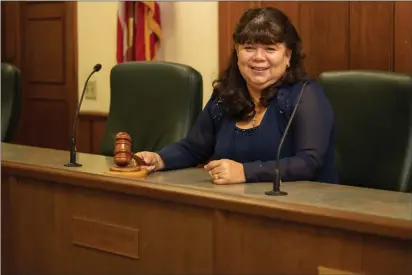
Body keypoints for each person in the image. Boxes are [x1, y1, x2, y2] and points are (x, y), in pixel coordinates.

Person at [135, 7, 338, 185]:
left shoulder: (306, 94)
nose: (258, 58)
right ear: (237, 52)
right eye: (249, 48)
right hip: (235, 207)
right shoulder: (226, 95)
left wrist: (245, 172)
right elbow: (194, 148)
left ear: (288, 56)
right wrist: (159, 159)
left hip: (301, 209)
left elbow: (309, 162)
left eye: (270, 49)